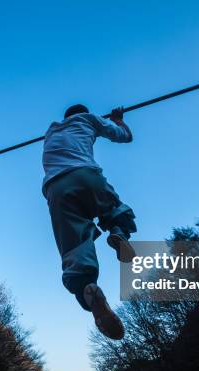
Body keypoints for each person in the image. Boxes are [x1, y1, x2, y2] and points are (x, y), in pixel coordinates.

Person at [42, 103, 137, 340]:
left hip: (56, 189)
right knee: (114, 208)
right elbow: (125, 136)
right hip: (85, 175)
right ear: (84, 113)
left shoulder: (51, 131)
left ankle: (86, 286)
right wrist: (118, 119)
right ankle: (118, 233)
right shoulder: (89, 119)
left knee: (75, 245)